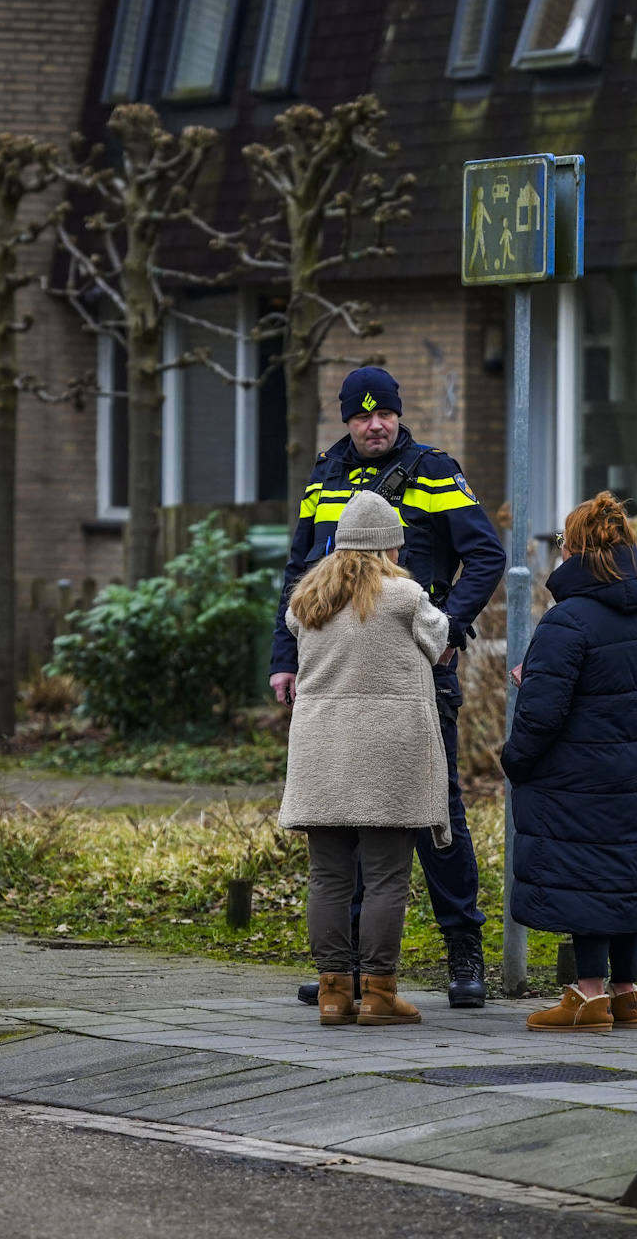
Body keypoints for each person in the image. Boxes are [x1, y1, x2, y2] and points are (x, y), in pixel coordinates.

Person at [271, 365, 505, 1009]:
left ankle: (464, 954)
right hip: (335, 681)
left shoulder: (433, 470)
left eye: (386, 414)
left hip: (416, 680)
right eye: (362, 415)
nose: (375, 425)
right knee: (344, 816)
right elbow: (299, 571)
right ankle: (341, 971)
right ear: (345, 419)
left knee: (438, 817)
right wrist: (283, 658)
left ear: (398, 414)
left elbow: (484, 553)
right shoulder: (324, 476)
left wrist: (449, 629)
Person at [278, 493, 448, 1027]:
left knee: (328, 877)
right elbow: (440, 642)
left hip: (319, 749)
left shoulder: (307, 598)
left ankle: (332, 992)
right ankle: (378, 992)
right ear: (391, 543)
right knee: (385, 878)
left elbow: (294, 636)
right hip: (388, 751)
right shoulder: (405, 595)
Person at [502, 494, 637, 1032]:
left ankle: (587, 997)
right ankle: (628, 993)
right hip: (629, 774)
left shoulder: (567, 619)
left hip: (574, 777)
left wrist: (515, 761)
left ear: (574, 551)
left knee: (584, 876)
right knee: (619, 873)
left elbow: (544, 715)